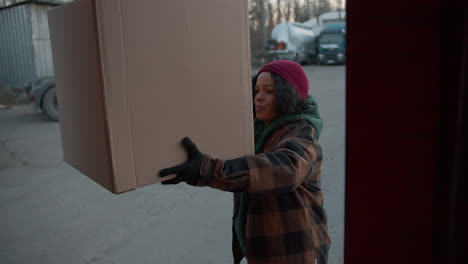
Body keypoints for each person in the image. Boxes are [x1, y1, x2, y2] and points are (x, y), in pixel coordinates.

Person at [159, 60, 330, 264]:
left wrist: (207, 169)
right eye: (257, 89)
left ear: (288, 96)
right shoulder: (259, 131)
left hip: (296, 254)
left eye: (269, 91)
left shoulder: (302, 134)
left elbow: (284, 169)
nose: (258, 97)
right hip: (267, 251)